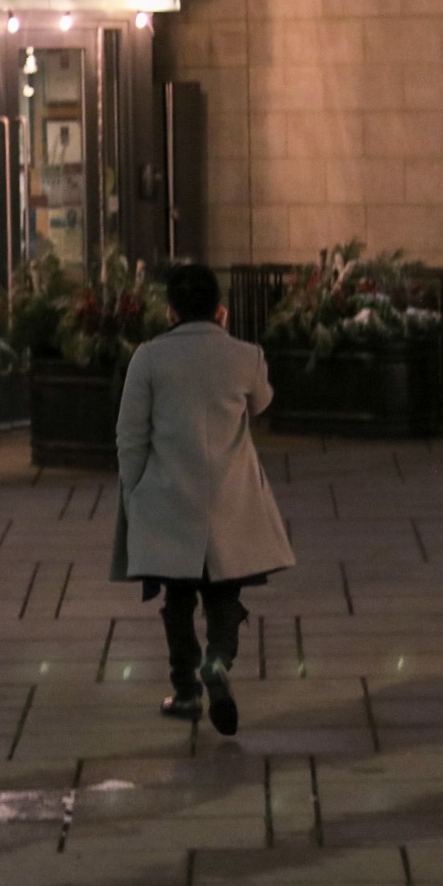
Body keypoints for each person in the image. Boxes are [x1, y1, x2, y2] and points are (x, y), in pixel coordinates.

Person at [111, 263, 295, 736]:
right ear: (220, 309)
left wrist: (133, 496)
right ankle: (217, 661)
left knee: (176, 599)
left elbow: (130, 435)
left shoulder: (149, 359)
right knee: (224, 593)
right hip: (229, 499)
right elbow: (262, 403)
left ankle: (187, 689)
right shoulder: (246, 357)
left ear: (170, 309)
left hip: (170, 498)